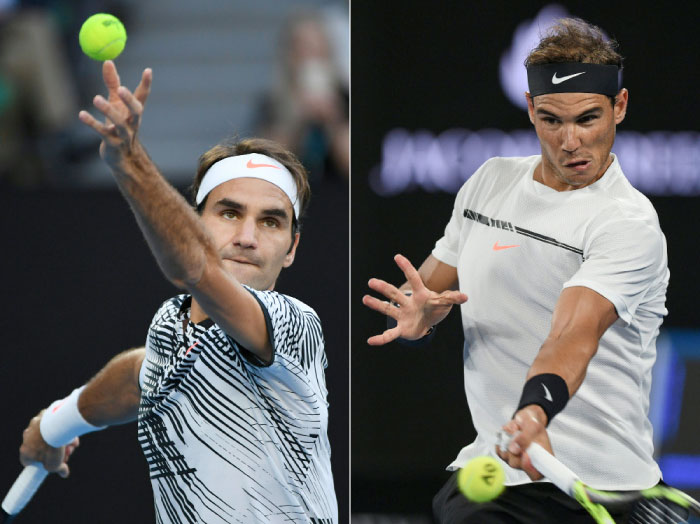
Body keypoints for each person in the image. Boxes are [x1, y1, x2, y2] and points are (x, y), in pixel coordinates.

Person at [363, 18, 668, 523]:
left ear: (620, 106)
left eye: (588, 118)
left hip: (604, 486)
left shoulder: (627, 222)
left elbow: (573, 333)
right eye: (551, 119)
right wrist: (418, 315)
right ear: (530, 109)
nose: (570, 140)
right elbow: (430, 288)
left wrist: (536, 410)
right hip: (501, 475)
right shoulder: (490, 182)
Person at [19, 60, 338, 523]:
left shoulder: (293, 325)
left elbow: (196, 269)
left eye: (271, 221)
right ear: (196, 220)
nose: (248, 236)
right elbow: (139, 376)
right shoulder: (171, 328)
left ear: (292, 249)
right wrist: (55, 425)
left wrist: (130, 162)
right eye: (229, 213)